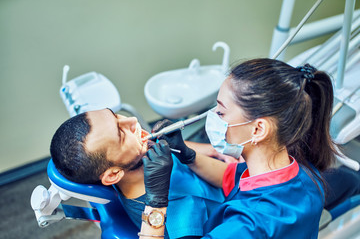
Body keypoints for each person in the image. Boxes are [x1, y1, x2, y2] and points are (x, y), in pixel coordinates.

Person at [139, 58, 339, 238]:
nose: (214, 116)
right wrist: (188, 154)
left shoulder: (246, 226)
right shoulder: (304, 174)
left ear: (258, 129)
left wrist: (156, 202)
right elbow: (229, 176)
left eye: (221, 112)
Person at [49, 109, 225, 239]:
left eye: (116, 116)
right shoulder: (176, 220)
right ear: (113, 175)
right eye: (121, 134)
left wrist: (198, 152)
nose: (132, 120)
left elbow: (192, 154)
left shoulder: (145, 155)